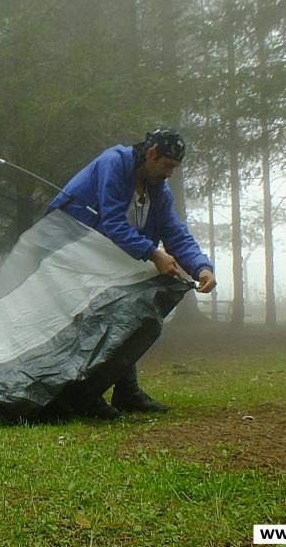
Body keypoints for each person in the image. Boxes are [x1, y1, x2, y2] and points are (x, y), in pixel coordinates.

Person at [47, 126, 216, 418]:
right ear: (151, 154)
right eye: (167, 166)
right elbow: (112, 221)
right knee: (95, 319)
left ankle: (127, 390)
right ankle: (87, 394)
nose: (169, 174)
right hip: (69, 248)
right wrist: (153, 253)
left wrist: (201, 266)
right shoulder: (114, 163)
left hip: (109, 255)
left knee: (127, 315)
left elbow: (174, 232)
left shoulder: (158, 191)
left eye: (175, 168)